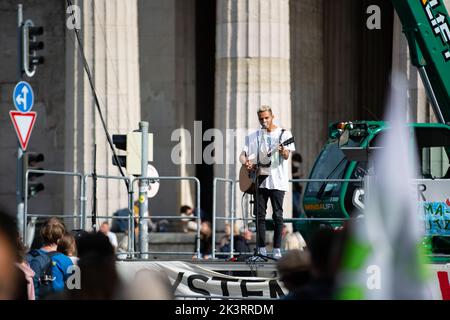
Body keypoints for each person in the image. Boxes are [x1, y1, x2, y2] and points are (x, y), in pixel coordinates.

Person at [240, 105, 296, 260]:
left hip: (278, 181)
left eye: (266, 117)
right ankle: (261, 248)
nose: (264, 121)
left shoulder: (285, 134)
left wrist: (282, 151)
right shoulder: (254, 136)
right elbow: (242, 155)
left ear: (272, 116)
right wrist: (246, 163)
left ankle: (277, 249)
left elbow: (286, 156)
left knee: (278, 215)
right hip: (260, 180)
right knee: (259, 216)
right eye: (261, 118)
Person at [26, 217, 73, 299]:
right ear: (60, 239)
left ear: (42, 235)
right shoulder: (65, 260)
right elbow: (75, 287)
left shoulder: (29, 256)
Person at [291, 152, 303, 231]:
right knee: (297, 210)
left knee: (297, 211)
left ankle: (297, 229)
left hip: (297, 191)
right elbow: (290, 175)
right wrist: (297, 174)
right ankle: (296, 229)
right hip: (293, 192)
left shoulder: (295, 168)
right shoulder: (290, 167)